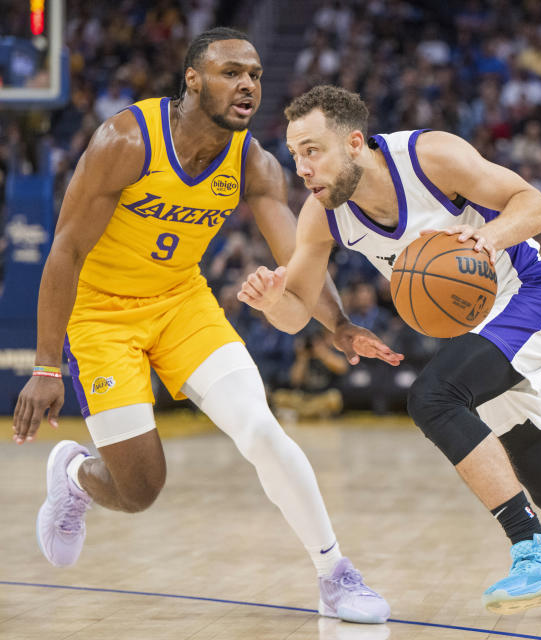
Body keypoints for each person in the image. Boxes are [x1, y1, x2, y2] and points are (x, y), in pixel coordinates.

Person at [238, 85, 541, 619]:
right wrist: (276, 303)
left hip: (531, 296)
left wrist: (492, 237)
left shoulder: (429, 157)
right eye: (295, 154)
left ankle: (535, 548)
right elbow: (297, 310)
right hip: (480, 331)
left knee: (433, 397)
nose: (302, 167)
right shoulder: (323, 216)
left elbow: (539, 206)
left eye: (312, 150)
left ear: (355, 143)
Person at [10, 29, 396, 624]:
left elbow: (300, 257)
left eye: (256, 75)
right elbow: (63, 252)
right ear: (193, 79)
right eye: (231, 72)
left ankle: (335, 573)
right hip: (101, 315)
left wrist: (339, 325)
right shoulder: (125, 139)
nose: (248, 84)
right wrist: (44, 365)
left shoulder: (254, 163)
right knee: (141, 489)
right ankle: (75, 476)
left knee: (261, 430)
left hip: (182, 303)